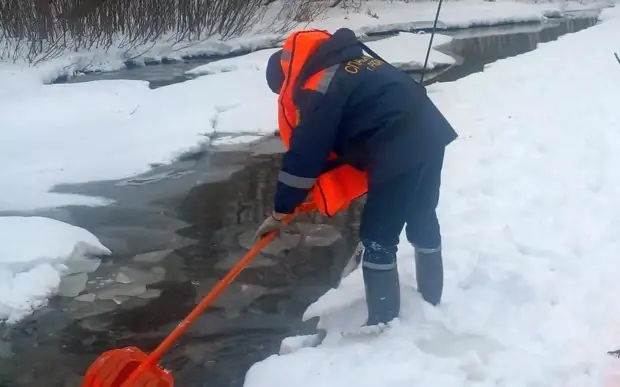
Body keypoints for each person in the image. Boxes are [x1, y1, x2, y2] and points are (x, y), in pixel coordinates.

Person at [254, 27, 457, 326]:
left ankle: (383, 323)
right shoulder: (349, 62)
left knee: (377, 238)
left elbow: (304, 156)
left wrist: (282, 210)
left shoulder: (316, 88)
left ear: (287, 79)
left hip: (399, 147)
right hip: (430, 131)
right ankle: (432, 299)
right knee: (421, 214)